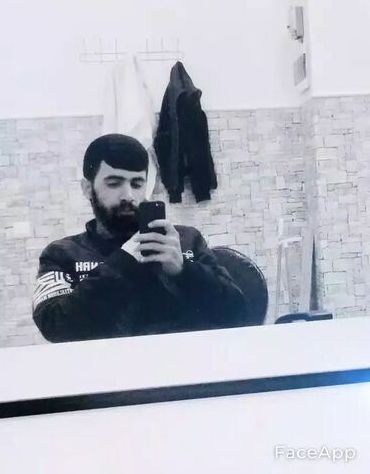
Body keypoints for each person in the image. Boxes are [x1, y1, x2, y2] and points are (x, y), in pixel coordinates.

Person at [32, 134, 247, 343]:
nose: (128, 195)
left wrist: (185, 270)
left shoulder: (186, 241)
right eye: (114, 183)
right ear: (88, 188)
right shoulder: (62, 253)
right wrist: (124, 262)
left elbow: (238, 313)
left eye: (136, 184)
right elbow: (54, 326)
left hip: (183, 363)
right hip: (108, 366)